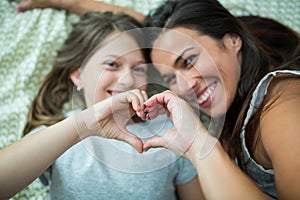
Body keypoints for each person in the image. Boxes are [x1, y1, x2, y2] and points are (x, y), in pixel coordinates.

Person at [19, 11, 201, 200]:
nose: (129, 79)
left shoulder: (169, 133)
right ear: (78, 75)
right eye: (112, 64)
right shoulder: (57, 134)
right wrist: (82, 125)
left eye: (138, 69)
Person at [138, 0, 300, 199]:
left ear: (232, 40)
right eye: (171, 79)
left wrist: (197, 144)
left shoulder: (281, 106)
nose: (184, 87)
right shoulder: (232, 110)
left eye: (189, 61)